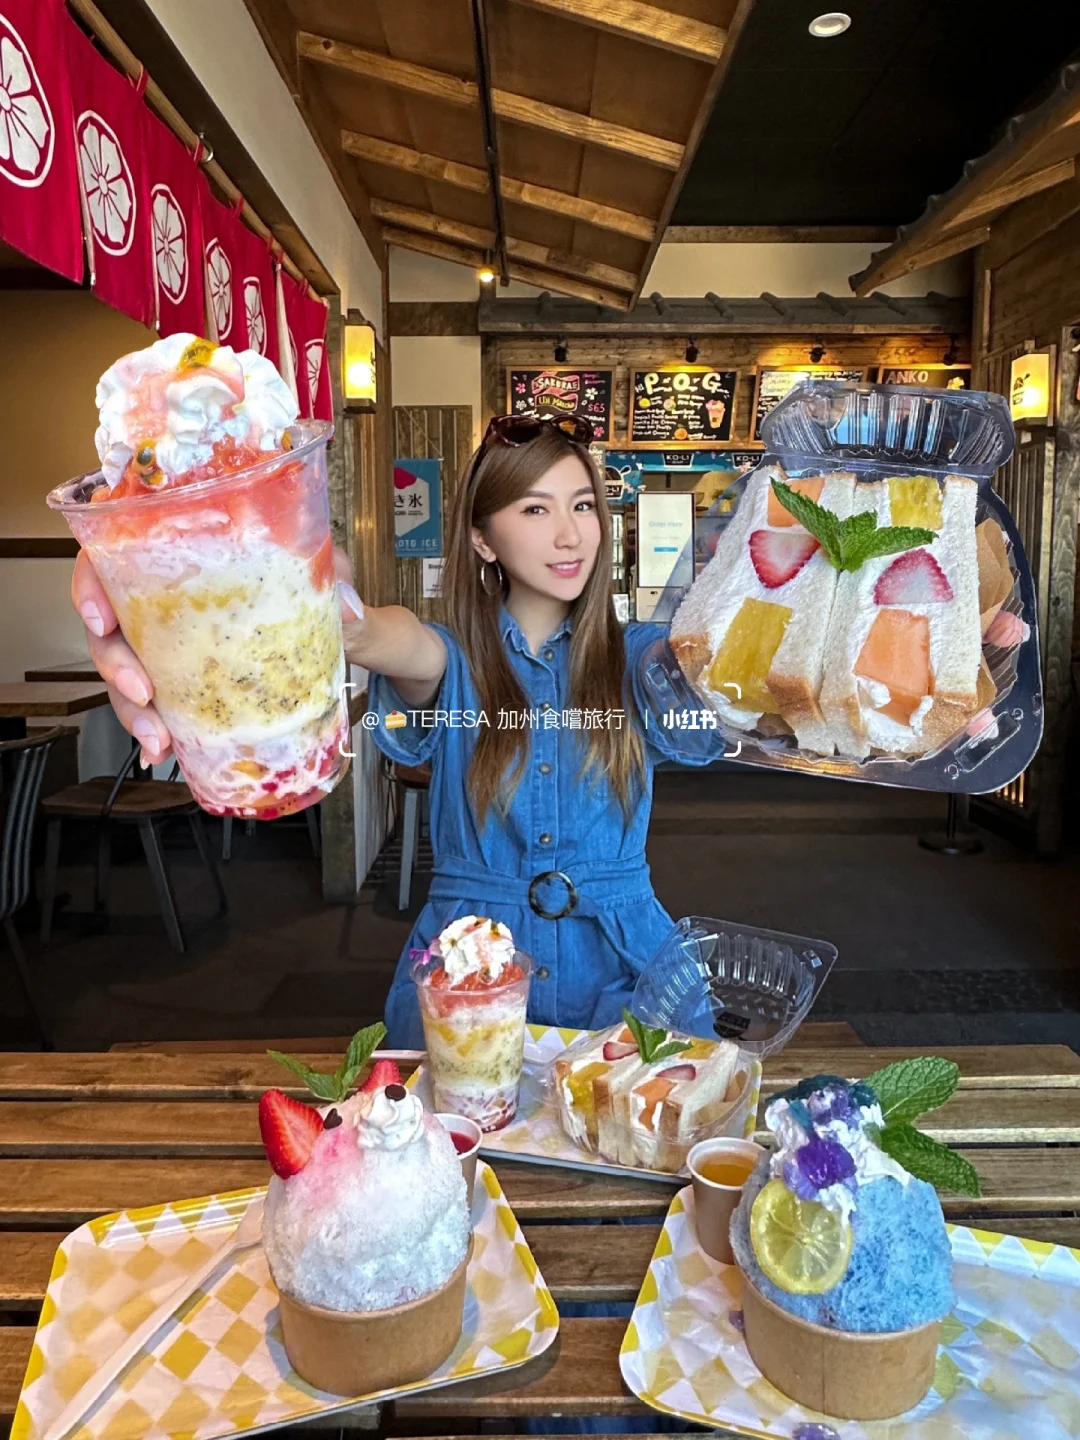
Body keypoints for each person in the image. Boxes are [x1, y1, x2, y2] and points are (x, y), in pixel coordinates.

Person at [71, 412, 724, 1045]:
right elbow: (386, 637)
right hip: (470, 969)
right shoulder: (450, 657)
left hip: (626, 967)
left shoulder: (637, 657)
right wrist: (303, 589)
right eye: (535, 509)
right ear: (482, 539)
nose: (570, 535)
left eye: (582, 506)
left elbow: (704, 668)